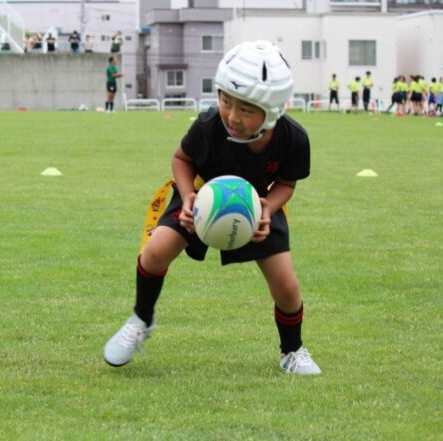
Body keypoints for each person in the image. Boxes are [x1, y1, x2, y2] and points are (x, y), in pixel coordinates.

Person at [103, 40, 321, 376]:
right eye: (225, 101)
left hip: (256, 206)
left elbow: (287, 184)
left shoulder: (294, 138)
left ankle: (292, 350)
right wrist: (187, 195)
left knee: (287, 286)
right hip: (200, 192)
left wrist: (268, 209)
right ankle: (141, 320)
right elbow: (181, 158)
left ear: (273, 110)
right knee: (155, 252)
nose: (232, 116)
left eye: (246, 110)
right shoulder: (208, 125)